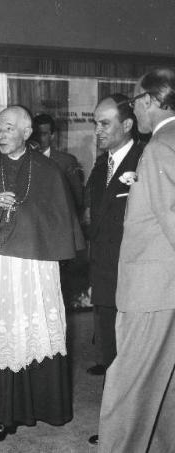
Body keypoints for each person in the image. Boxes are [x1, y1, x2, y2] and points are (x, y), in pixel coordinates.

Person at [0, 106, 83, 442]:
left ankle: (39, 405)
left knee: (29, 329)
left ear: (27, 133)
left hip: (33, 266)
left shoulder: (49, 170)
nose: (1, 134)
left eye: (9, 128)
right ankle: (2, 413)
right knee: (2, 330)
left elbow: (58, 221)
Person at [98, 68, 175, 453]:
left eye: (137, 103)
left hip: (150, 291)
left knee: (128, 387)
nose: (136, 112)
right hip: (167, 287)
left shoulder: (160, 147)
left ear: (151, 101)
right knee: (165, 387)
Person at [86, 95, 144, 379]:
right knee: (106, 329)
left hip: (133, 268)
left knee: (134, 347)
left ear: (128, 124)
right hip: (103, 265)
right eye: (96, 123)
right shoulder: (101, 165)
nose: (98, 130)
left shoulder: (145, 160)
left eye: (105, 123)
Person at [32, 113, 84, 214]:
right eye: (35, 134)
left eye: (43, 134)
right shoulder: (24, 159)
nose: (38, 138)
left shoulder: (66, 161)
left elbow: (77, 198)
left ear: (52, 136)